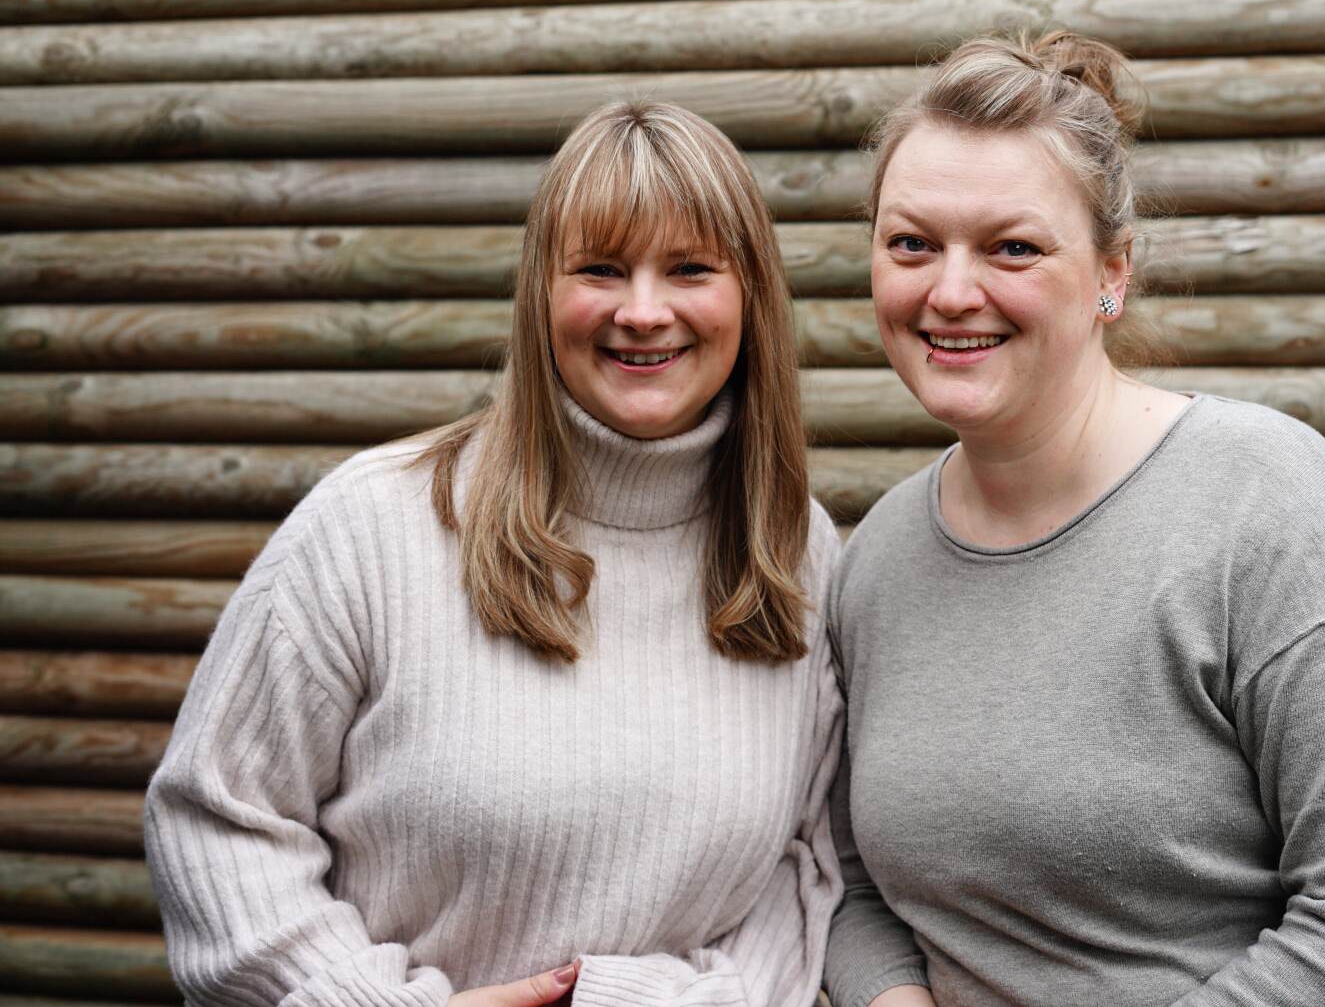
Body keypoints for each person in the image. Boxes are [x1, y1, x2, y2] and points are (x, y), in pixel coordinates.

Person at [821, 32, 1325, 1007]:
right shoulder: (876, 559)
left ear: (1111, 271)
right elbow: (853, 880)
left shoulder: (1264, 498)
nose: (950, 290)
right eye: (911, 243)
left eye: (1012, 246)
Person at [144, 100, 845, 1007]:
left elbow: (812, 867)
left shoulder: (800, 558)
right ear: (540, 292)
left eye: (690, 269)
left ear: (749, 294)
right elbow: (216, 821)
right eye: (599, 267)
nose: (643, 311)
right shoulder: (373, 525)